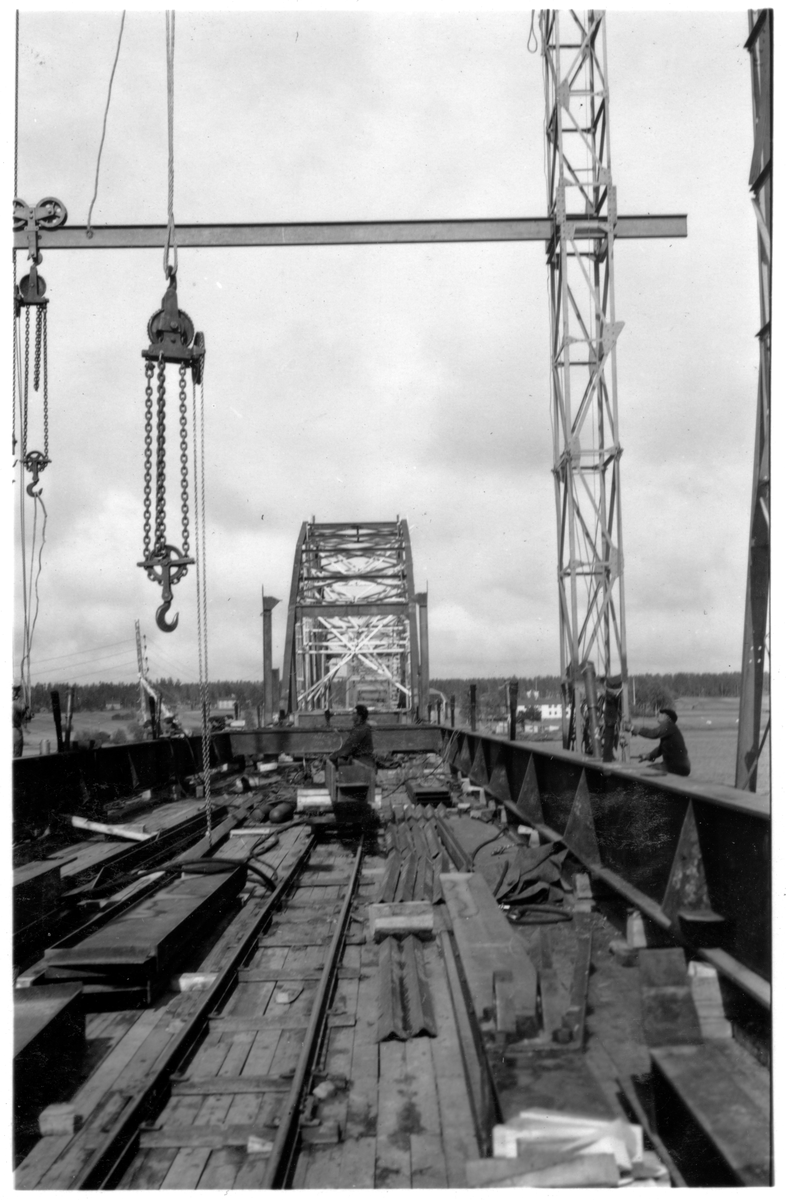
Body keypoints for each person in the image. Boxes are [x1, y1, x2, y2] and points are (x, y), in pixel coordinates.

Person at [631, 707, 691, 776]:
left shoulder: (668, 725)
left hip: (676, 766)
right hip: (680, 766)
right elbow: (661, 748)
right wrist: (649, 755)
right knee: (648, 770)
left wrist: (632, 728)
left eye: (661, 714)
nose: (658, 715)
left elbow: (653, 733)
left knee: (647, 771)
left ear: (667, 718)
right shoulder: (671, 728)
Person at [328, 704, 375, 771]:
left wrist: (332, 757)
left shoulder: (361, 729)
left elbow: (348, 747)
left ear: (359, 716)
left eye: (354, 713)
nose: (352, 715)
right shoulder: (361, 727)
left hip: (363, 763)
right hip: (362, 760)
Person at [13, 685, 30, 758]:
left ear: (17, 691)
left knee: (17, 754)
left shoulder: (20, 700)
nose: (12, 691)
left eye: (14, 689)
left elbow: (23, 708)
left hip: (16, 729)